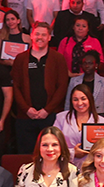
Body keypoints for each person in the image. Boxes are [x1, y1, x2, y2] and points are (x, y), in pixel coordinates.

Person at [11, 22, 68, 154]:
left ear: (49, 37)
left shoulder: (58, 58)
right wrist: (26, 109)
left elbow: (62, 87)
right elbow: (16, 87)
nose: (40, 37)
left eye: (43, 35)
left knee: (51, 154)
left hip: (50, 116)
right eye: (37, 34)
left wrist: (47, 110)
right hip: (25, 117)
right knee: (25, 155)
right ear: (31, 36)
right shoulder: (20, 58)